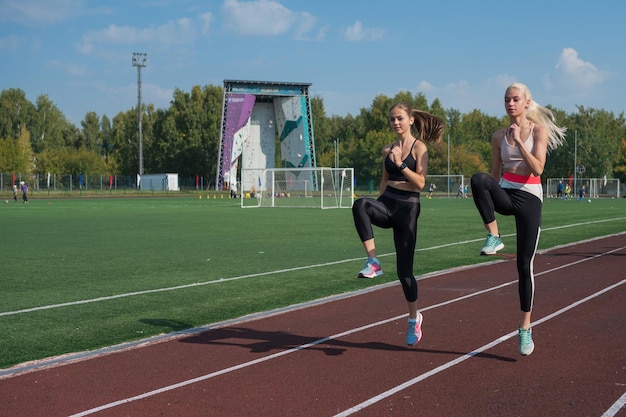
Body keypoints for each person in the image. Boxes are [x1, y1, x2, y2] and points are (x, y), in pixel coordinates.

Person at [470, 82, 566, 356]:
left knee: (524, 266)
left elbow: (537, 167)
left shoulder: (538, 130)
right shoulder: (498, 136)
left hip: (529, 197)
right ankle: (494, 235)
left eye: (515, 99)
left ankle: (525, 327)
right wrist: (491, 191)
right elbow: (493, 174)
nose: (510, 104)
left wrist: (518, 142)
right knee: (479, 179)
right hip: (507, 191)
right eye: (506, 100)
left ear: (526, 103)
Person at [352, 102, 444, 346]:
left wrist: (401, 165)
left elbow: (420, 184)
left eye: (400, 118)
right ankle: (373, 261)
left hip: (408, 210)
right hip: (388, 205)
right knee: (360, 205)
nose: (395, 123)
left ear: (411, 120)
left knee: (405, 274)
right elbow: (385, 182)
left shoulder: (419, 148)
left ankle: (414, 318)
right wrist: (379, 203)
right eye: (392, 119)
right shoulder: (387, 150)